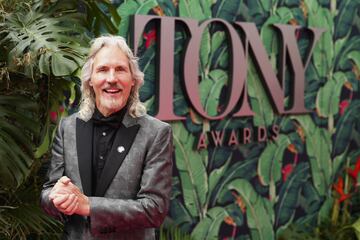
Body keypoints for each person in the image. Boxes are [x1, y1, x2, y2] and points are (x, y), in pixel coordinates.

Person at [40, 35, 173, 239]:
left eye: (120, 69)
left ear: (133, 80)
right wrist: (55, 198)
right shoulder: (68, 128)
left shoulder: (156, 133)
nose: (112, 78)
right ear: (90, 80)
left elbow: (154, 209)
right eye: (102, 70)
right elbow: (49, 191)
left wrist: (89, 205)